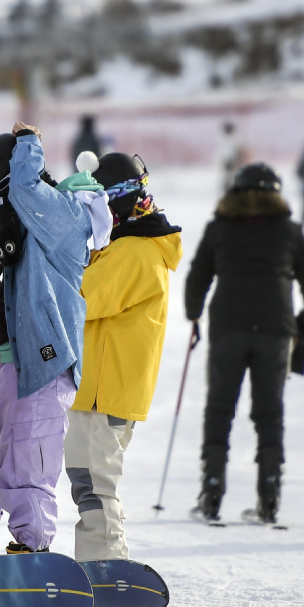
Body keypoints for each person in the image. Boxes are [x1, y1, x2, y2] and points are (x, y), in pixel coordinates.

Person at [0, 125, 112, 556]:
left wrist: (27, 141)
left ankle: (32, 552)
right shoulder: (23, 213)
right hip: (3, 362)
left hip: (42, 366)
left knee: (28, 462)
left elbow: (24, 186)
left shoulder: (66, 214)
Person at [185, 163, 304, 524]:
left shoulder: (219, 228)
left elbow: (197, 276)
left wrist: (194, 314)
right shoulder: (289, 231)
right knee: (269, 413)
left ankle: (211, 490)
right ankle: (270, 496)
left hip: (228, 327)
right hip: (276, 329)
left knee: (219, 408)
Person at [64, 152, 182, 562]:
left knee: (96, 483)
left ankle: (107, 564)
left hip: (107, 390)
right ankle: (96, 563)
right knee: (87, 481)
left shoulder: (135, 251)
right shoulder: (122, 246)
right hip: (96, 388)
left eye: (96, 203)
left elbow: (82, 296)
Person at [216, 121, 245, 195]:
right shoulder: (225, 139)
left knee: (230, 178)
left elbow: (236, 151)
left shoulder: (233, 139)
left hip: (231, 163)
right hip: (228, 163)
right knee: (228, 178)